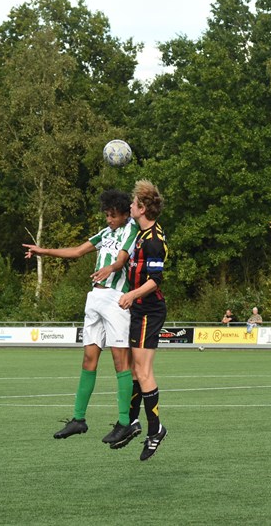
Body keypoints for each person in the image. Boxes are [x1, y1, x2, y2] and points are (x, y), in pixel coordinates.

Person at [23, 189, 139, 446]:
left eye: (113, 215)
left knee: (120, 361)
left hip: (117, 298)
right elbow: (77, 251)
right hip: (95, 298)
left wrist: (110, 268)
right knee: (88, 358)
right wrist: (44, 251)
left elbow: (121, 260)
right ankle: (78, 419)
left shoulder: (131, 229)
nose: (109, 219)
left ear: (124, 214)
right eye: (107, 215)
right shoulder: (105, 233)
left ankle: (124, 421)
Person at [117, 179, 169, 460]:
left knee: (144, 371)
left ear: (143, 208)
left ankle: (155, 429)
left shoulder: (154, 240)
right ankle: (132, 422)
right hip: (139, 310)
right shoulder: (140, 234)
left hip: (149, 309)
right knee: (136, 371)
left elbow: (155, 280)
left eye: (134, 203)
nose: (130, 206)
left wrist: (132, 294)